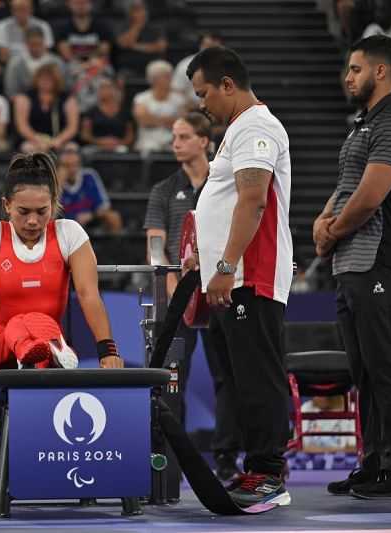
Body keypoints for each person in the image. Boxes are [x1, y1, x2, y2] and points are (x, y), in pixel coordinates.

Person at [185, 46, 293, 507]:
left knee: (258, 377)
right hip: (232, 277)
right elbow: (227, 203)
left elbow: (255, 201)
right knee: (240, 380)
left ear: (228, 84)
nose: (202, 104)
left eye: (204, 93)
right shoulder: (237, 131)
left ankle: (269, 473)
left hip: (252, 276)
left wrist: (226, 266)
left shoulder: (257, 127)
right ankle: (255, 470)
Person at [314, 35, 391, 500]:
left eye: (355, 69)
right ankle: (375, 462)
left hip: (383, 260)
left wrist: (332, 231)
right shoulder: (361, 125)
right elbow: (347, 184)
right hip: (351, 264)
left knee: (389, 367)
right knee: (365, 371)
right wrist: (322, 220)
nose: (347, 77)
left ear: (380, 72)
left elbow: (372, 195)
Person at [0, 152, 125, 372]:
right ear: (7, 205)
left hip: (50, 334)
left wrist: (107, 350)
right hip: (1, 345)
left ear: (53, 204)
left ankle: (38, 354)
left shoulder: (69, 233)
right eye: (23, 212)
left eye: (42, 212)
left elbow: (88, 294)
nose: (33, 221)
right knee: (17, 322)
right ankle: (38, 351)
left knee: (32, 322)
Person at [143, 112, 242, 481]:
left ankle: (228, 460)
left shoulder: (226, 183)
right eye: (173, 137)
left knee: (227, 378)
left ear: (204, 140)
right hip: (177, 300)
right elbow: (155, 248)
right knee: (171, 380)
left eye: (183, 136)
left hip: (220, 294)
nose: (176, 144)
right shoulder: (164, 190)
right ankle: (172, 459)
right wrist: (175, 289)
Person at [58, 142, 123, 234]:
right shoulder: (55, 181)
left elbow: (105, 205)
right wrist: (59, 183)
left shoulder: (89, 175)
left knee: (113, 217)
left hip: (90, 219)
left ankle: (116, 247)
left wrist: (91, 215)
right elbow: (51, 211)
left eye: (74, 164)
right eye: (67, 165)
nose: (71, 169)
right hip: (65, 223)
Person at [13, 62, 79, 152]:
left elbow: (72, 127)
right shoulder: (24, 98)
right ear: (36, 79)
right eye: (42, 78)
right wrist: (38, 140)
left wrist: (58, 140)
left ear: (56, 81)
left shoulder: (67, 99)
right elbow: (22, 126)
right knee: (29, 149)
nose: (45, 82)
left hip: (60, 140)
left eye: (49, 79)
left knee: (71, 149)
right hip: (32, 140)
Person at [133, 59, 184, 156]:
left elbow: (183, 123)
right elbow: (144, 120)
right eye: (166, 76)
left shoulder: (179, 99)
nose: (170, 79)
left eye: (170, 76)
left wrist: (154, 119)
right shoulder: (141, 98)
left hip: (172, 142)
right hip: (147, 144)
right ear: (154, 79)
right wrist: (170, 121)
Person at [3, 26, 66, 99]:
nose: (36, 48)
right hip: (24, 103)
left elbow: (63, 87)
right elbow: (11, 91)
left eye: (39, 44)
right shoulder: (15, 63)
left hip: (52, 101)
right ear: (26, 44)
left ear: (44, 42)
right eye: (32, 45)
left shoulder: (56, 62)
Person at [79, 78, 134, 154]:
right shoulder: (91, 112)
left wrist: (118, 142)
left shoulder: (125, 112)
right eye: (102, 88)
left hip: (119, 146)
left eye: (108, 87)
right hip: (96, 146)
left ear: (115, 90)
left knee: (124, 151)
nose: (105, 91)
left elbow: (130, 135)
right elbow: (85, 135)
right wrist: (100, 142)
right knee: (87, 152)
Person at [172, 31, 224, 110]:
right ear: (201, 46)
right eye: (207, 46)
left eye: (214, 46)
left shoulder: (229, 65)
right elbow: (176, 90)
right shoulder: (185, 65)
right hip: (191, 109)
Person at [0, 0, 54, 66]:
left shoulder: (42, 25)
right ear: (12, 11)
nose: (21, 12)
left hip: (38, 64)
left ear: (31, 10)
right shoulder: (2, 25)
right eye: (17, 9)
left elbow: (46, 52)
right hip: (11, 65)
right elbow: (3, 55)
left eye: (24, 9)